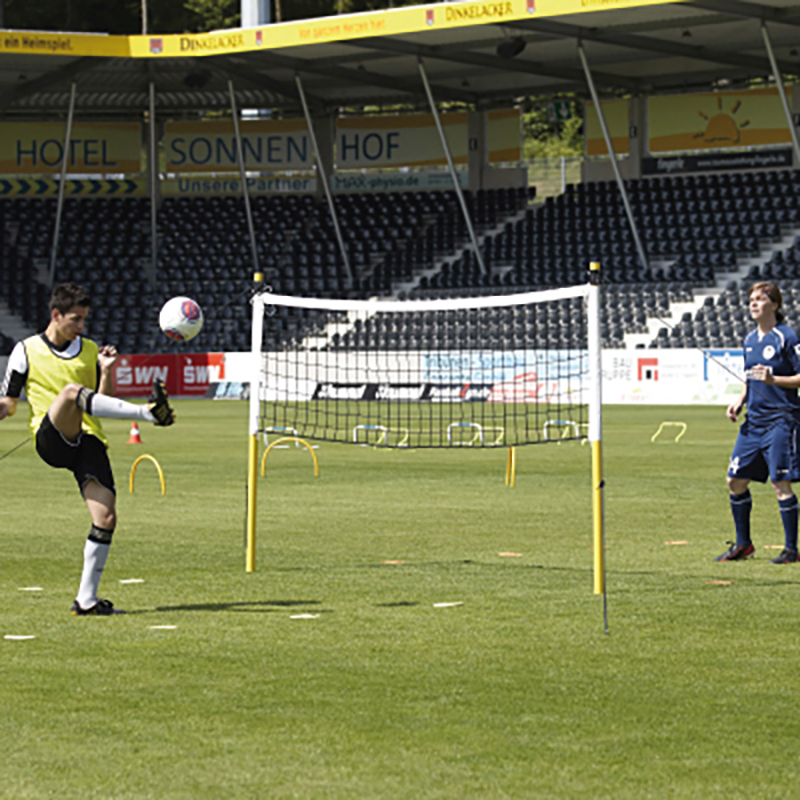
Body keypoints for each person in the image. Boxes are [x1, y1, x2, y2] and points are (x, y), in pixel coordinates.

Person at [0, 282, 175, 615]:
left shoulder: (91, 350)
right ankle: (148, 413)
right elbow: (9, 402)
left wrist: (106, 371)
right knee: (69, 393)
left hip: (89, 438)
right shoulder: (25, 350)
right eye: (76, 319)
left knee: (106, 517)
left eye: (84, 319)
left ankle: (86, 601)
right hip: (51, 438)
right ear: (56, 315)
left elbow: (101, 399)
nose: (82, 326)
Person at [718, 281, 800, 564]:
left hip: (781, 420)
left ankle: (791, 550)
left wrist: (774, 379)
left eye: (760, 299)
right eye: (751, 299)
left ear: (774, 305)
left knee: (780, 483)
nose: (753, 303)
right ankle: (743, 545)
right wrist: (740, 400)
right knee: (735, 481)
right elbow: (749, 376)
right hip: (753, 423)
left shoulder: (787, 336)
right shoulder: (749, 339)